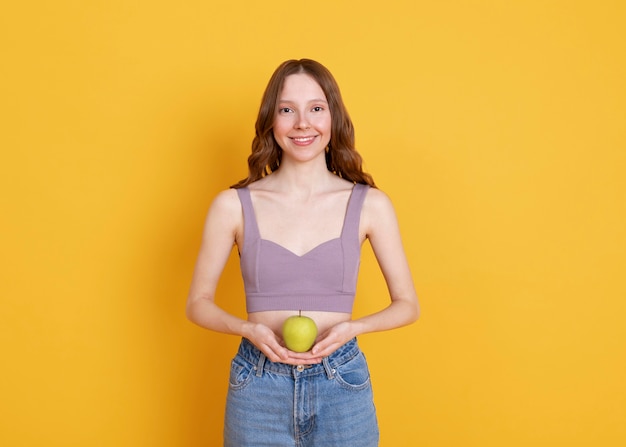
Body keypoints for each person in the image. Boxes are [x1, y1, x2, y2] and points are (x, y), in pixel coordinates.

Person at [186, 58, 419, 447]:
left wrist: (353, 329)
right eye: (287, 110)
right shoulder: (233, 205)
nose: (302, 123)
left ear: (333, 118)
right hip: (258, 384)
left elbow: (408, 304)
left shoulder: (370, 205)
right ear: (270, 121)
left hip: (341, 383)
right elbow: (197, 303)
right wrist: (247, 329)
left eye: (316, 108)